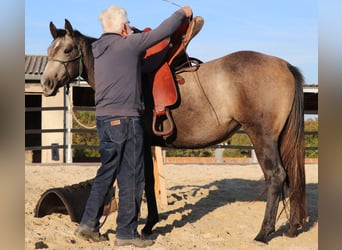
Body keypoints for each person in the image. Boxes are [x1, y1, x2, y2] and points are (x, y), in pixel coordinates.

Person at [74, 4, 193, 248]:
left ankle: (88, 224)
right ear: (121, 26)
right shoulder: (129, 45)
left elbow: (139, 67)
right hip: (126, 120)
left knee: (106, 172)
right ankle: (126, 234)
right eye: (126, 23)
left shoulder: (98, 48)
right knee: (132, 176)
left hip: (104, 120)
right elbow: (163, 30)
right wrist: (182, 12)